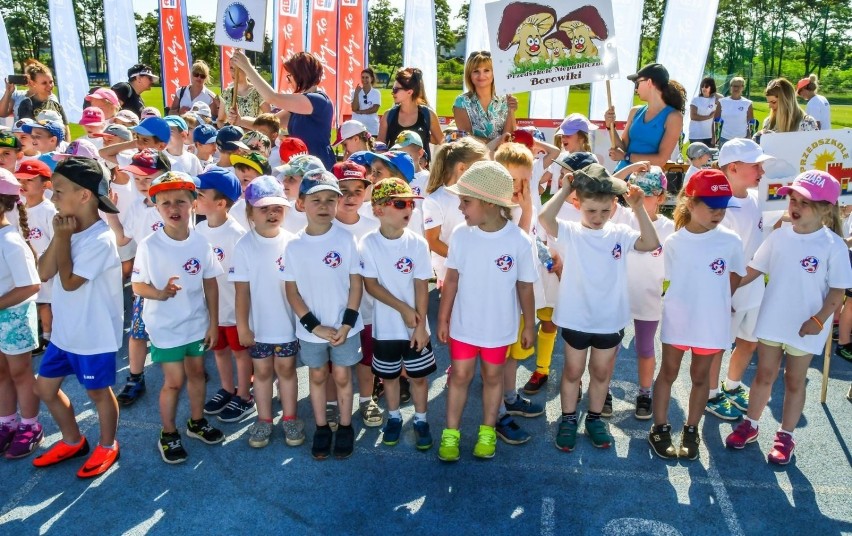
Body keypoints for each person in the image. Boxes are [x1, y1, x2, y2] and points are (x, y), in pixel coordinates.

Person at [726, 171, 852, 464]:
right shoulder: (779, 237)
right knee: (764, 375)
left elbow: (837, 293)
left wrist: (819, 321)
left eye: (804, 202)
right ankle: (751, 424)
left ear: (825, 209)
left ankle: (785, 436)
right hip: (773, 320)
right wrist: (724, 290)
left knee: (794, 381)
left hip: (808, 328)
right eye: (792, 199)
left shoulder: (833, 246)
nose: (794, 206)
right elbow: (752, 271)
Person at [539, 164, 660, 452]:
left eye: (605, 211)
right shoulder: (570, 231)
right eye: (591, 211)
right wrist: (566, 188)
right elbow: (545, 218)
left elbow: (651, 242)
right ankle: (568, 419)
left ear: (614, 206)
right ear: (578, 204)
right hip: (575, 317)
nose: (598, 217)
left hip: (609, 319)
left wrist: (639, 208)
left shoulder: (619, 232)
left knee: (601, 373)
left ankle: (594, 419)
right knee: (572, 371)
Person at [436, 161, 537, 462]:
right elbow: (451, 279)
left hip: (499, 328)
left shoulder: (519, 240)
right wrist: (443, 317)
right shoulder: (461, 235)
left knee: (494, 378)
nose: (460, 208)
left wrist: (528, 326)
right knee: (459, 377)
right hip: (464, 325)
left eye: (465, 201)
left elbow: (525, 288)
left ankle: (487, 431)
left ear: (489, 202)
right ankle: (451, 434)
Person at [32, 158, 123, 478]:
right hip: (65, 333)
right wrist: (60, 237)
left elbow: (70, 283)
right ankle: (73, 441)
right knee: (44, 389)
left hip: (93, 335)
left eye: (57, 191)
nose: (52, 198)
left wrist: (64, 238)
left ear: (84, 196)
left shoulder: (100, 238)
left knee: (99, 393)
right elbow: (44, 272)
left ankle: (108, 445)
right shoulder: (65, 229)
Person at [649, 169, 745, 460]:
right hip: (678, 318)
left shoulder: (730, 240)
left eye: (723, 207)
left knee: (700, 377)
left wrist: (717, 301)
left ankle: (692, 429)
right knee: (668, 372)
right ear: (690, 204)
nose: (719, 214)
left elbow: (736, 276)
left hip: (711, 322)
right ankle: (659, 428)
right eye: (712, 207)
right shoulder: (674, 242)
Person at [131, 172, 224, 464]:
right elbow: (137, 286)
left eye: (181, 202)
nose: (174, 208)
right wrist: (160, 294)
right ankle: (168, 433)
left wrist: (213, 323)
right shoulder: (149, 245)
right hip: (166, 327)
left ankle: (196, 422)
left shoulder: (201, 243)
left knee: (197, 374)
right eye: (166, 202)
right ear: (156, 207)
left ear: (193, 204)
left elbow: (210, 282)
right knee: (174, 381)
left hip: (195, 324)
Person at [283, 171, 363, 460]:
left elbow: (356, 283)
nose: (324, 205)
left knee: (342, 375)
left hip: (345, 329)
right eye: (316, 199)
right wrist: (313, 327)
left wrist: (347, 323)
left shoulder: (346, 239)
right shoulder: (293, 245)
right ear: (301, 203)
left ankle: (344, 425)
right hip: (311, 331)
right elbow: (292, 292)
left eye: (331, 199)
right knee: (317, 375)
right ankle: (321, 427)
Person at [360, 178, 436, 448]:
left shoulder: (417, 244)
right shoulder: (367, 243)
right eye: (401, 203)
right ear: (378, 210)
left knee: (418, 378)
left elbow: (421, 286)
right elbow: (370, 285)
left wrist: (420, 325)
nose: (409, 209)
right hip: (385, 329)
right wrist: (403, 309)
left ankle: (420, 419)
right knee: (389, 378)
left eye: (412, 205)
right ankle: (393, 418)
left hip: (414, 329)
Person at [231, 176, 303, 448]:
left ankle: (290, 418)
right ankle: (263, 419)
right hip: (258, 327)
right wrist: (243, 327)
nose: (272, 213)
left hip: (287, 326)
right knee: (261, 374)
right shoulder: (244, 246)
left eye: (278, 207)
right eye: (264, 208)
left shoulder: (293, 242)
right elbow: (241, 293)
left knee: (287, 370)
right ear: (250, 212)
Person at [706, 139, 775, 422]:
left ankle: (732, 386)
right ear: (733, 168)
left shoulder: (757, 199)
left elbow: (767, 230)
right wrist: (725, 293)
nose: (761, 169)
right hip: (730, 291)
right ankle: (711, 394)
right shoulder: (721, 209)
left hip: (754, 289)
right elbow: (719, 260)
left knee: (748, 342)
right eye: (755, 165)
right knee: (719, 346)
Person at [193, 168, 253, 424]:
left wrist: (243, 319)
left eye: (200, 194)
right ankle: (227, 389)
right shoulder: (198, 230)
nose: (194, 197)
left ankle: (244, 395)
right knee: (219, 351)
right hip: (212, 311)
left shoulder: (237, 235)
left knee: (240, 353)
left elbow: (244, 281)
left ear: (220, 203)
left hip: (234, 311)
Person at [624, 166, 674, 420]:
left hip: (648, 299)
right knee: (608, 350)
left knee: (645, 349)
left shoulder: (670, 228)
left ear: (662, 198)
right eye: (635, 192)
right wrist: (632, 167)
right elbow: (606, 182)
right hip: (618, 297)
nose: (640, 199)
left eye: (648, 194)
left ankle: (645, 392)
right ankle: (605, 391)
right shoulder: (621, 217)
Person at [230, 50, 335, 169]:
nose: (288, 81)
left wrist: (247, 68)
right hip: (301, 166)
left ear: (300, 75)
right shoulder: (301, 102)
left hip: (318, 167)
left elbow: (272, 97)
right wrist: (240, 120)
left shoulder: (318, 100)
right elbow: (269, 124)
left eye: (289, 76)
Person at [0, 169, 41, 459]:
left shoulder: (11, 241)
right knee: (1, 372)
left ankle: (30, 425)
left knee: (20, 372)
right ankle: (7, 422)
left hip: (14, 316)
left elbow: (30, 285)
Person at [423, 137, 489, 285]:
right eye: (480, 168)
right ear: (461, 168)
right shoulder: (436, 199)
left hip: (477, 267)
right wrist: (462, 260)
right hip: (450, 270)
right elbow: (433, 241)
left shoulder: (479, 194)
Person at [605, 63, 685, 172]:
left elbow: (661, 160)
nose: (636, 89)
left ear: (649, 82)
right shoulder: (634, 111)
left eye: (637, 83)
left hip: (647, 183)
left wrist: (626, 157)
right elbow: (623, 148)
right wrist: (610, 126)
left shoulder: (674, 117)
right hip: (622, 175)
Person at [14, 160, 56, 354]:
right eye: (20, 179)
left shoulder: (49, 210)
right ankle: (44, 336)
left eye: (29, 180)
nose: (23, 183)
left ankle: (52, 337)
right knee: (39, 303)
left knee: (50, 302)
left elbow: (57, 241)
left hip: (48, 267)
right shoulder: (18, 208)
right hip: (29, 265)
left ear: (45, 184)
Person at [378, 68, 443, 161]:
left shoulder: (428, 114)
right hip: (395, 172)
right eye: (393, 89)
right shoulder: (388, 115)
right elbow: (381, 146)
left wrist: (425, 136)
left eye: (396, 89)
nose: (392, 93)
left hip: (421, 172)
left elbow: (441, 141)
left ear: (409, 92)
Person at [452, 51, 517, 143]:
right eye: (476, 71)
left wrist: (511, 110)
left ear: (494, 73)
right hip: (474, 155)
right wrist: (494, 143)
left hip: (501, 154)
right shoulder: (461, 101)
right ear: (469, 75)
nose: (481, 75)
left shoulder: (505, 100)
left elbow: (509, 137)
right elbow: (466, 137)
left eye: (486, 70)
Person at [716, 76, 754, 146]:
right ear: (730, 87)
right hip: (724, 138)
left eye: (739, 86)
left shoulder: (747, 103)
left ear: (743, 87)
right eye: (734, 86)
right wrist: (715, 138)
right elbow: (715, 121)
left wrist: (749, 136)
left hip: (742, 139)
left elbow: (750, 123)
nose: (736, 88)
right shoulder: (722, 102)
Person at [689, 77, 720, 146]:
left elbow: (723, 100)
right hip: (696, 135)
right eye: (702, 86)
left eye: (706, 86)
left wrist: (714, 92)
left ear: (711, 87)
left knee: (709, 156)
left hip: (709, 136)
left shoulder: (714, 99)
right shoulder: (695, 100)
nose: (704, 88)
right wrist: (709, 117)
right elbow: (693, 116)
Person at [351, 68, 381, 136]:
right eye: (363, 77)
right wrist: (356, 94)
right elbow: (354, 109)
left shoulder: (376, 93)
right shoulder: (355, 92)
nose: (364, 80)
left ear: (372, 78)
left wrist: (361, 112)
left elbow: (375, 109)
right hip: (357, 127)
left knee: (372, 146)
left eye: (367, 77)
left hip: (372, 128)